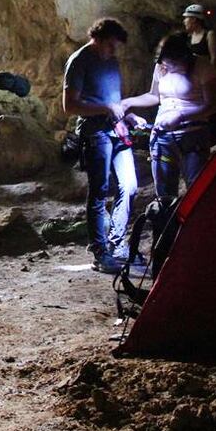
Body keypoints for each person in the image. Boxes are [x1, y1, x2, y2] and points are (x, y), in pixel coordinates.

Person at [63, 17, 138, 273]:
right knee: (99, 191)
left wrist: (125, 115)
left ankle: (118, 243)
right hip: (96, 133)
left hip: (117, 131)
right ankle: (101, 252)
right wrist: (105, 108)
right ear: (98, 39)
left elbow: (112, 99)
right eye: (111, 46)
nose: (113, 51)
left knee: (129, 186)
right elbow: (70, 106)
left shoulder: (111, 61)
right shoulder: (79, 61)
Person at [123, 31, 216, 197]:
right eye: (164, 64)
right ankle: (167, 220)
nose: (166, 68)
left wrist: (181, 116)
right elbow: (154, 96)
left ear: (183, 58)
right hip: (163, 136)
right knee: (165, 191)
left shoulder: (202, 66)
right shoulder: (161, 66)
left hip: (193, 135)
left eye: (171, 64)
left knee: (197, 188)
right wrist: (128, 102)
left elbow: (213, 105)